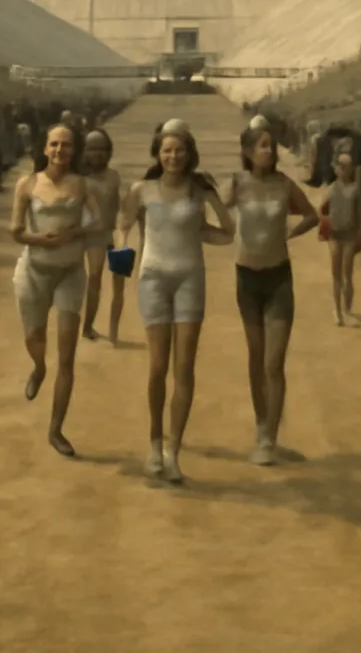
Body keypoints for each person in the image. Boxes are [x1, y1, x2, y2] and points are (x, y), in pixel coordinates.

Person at [117, 121, 234, 483]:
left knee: (184, 368)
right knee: (157, 366)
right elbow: (121, 225)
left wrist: (207, 206)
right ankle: (154, 443)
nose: (173, 156)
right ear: (157, 153)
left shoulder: (198, 191)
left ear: (190, 154)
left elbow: (228, 232)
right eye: (166, 150)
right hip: (153, 278)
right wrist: (121, 261)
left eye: (179, 150)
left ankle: (173, 452)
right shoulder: (142, 190)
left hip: (189, 278)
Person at [10, 123, 104, 458]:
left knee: (68, 355)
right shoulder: (28, 183)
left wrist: (75, 232)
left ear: (74, 150)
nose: (59, 151)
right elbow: (16, 230)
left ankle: (56, 429)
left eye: (65, 145)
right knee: (35, 339)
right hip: (34, 271)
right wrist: (41, 239)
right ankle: (38, 367)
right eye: (54, 144)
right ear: (44, 148)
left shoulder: (82, 185)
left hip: (69, 272)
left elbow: (99, 220)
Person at [226, 125, 318, 465]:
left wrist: (293, 232)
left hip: (279, 278)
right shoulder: (237, 183)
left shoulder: (284, 184)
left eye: (272, 146)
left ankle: (270, 438)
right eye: (263, 146)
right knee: (255, 358)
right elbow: (217, 211)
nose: (270, 151)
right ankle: (262, 424)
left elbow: (311, 213)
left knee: (273, 362)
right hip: (247, 278)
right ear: (249, 152)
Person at [80, 129, 125, 344]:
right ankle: (87, 325)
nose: (96, 153)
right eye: (91, 148)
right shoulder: (78, 179)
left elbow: (118, 207)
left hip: (109, 234)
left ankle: (108, 328)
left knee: (117, 282)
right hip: (89, 236)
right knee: (94, 278)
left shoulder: (113, 177)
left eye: (101, 149)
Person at [321, 147, 361, 326]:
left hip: (349, 235)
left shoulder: (355, 189)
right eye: (340, 165)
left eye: (346, 166)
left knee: (347, 273)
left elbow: (360, 213)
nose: (342, 169)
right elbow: (323, 210)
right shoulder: (331, 189)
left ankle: (347, 309)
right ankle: (337, 310)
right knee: (336, 274)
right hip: (335, 234)